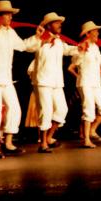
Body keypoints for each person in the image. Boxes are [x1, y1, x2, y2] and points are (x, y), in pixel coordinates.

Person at [0, 0, 44, 158]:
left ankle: (8, 142)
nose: (11, 17)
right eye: (8, 14)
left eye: (11, 15)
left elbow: (23, 46)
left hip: (6, 78)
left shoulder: (10, 33)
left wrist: (37, 37)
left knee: (15, 109)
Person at [28, 12, 79, 153]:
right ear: (49, 25)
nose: (60, 25)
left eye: (59, 22)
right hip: (43, 80)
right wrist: (40, 39)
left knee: (62, 110)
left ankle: (49, 137)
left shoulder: (58, 40)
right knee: (46, 111)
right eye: (56, 22)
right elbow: (28, 47)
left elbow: (67, 49)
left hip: (57, 82)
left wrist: (79, 48)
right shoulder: (40, 40)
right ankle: (43, 143)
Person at [74, 21, 101, 148]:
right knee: (89, 110)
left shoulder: (95, 47)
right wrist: (81, 52)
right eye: (95, 31)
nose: (98, 33)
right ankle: (86, 139)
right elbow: (75, 62)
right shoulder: (81, 46)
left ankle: (92, 130)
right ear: (88, 33)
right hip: (85, 82)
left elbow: (100, 61)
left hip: (95, 83)